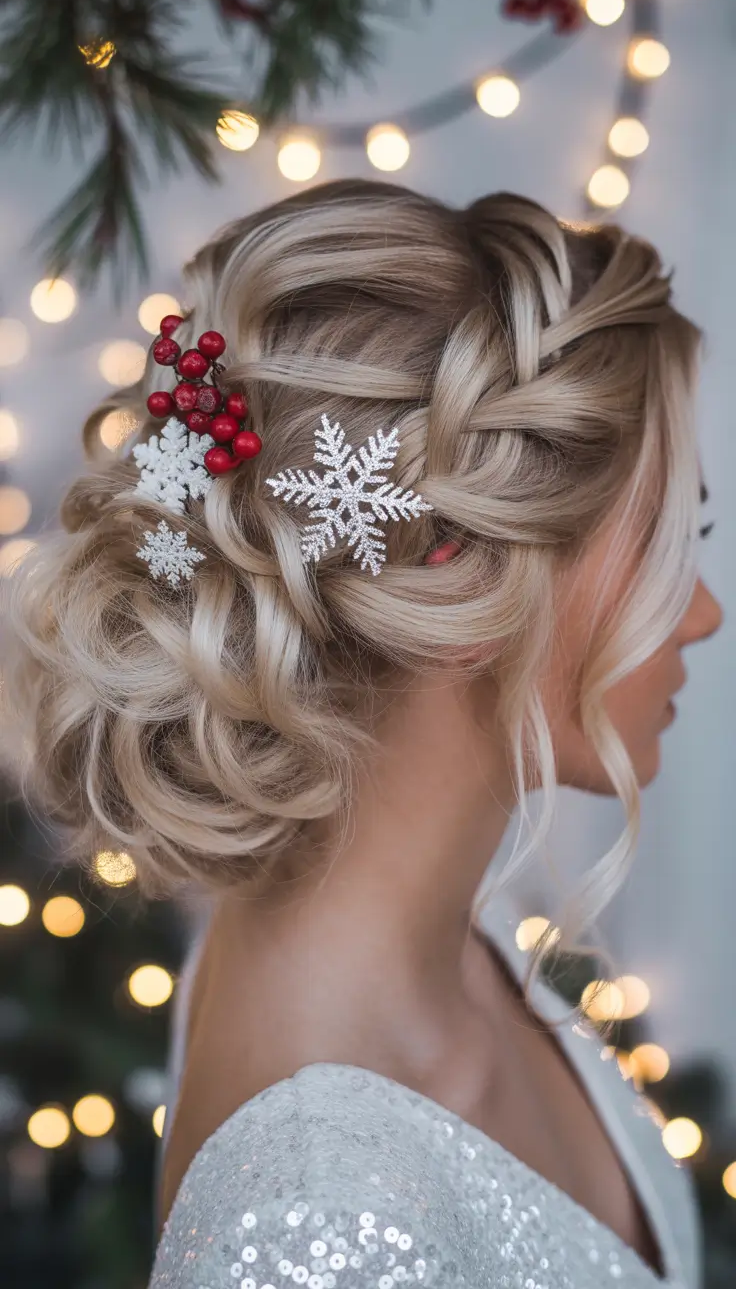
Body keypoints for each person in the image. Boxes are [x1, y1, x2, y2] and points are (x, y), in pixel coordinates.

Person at [1, 179, 723, 1289]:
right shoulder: (309, 1225)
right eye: (668, 547)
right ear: (469, 580)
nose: (701, 613)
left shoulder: (437, 940)